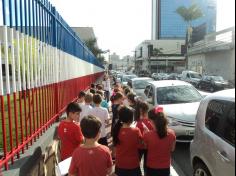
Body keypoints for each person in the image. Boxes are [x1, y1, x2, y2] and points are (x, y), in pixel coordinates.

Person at [144, 107, 176, 176]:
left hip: (151, 167)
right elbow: (172, 149)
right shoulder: (171, 133)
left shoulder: (147, 135)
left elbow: (145, 147)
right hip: (165, 167)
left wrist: (146, 133)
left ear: (152, 121)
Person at [112, 106, 142, 176]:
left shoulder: (116, 130)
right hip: (133, 164)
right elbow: (141, 144)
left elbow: (114, 148)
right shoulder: (136, 131)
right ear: (131, 118)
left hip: (120, 164)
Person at [135, 101, 154, 175]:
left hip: (139, 146)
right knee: (147, 164)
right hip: (148, 146)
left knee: (137, 162)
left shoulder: (137, 122)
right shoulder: (151, 122)